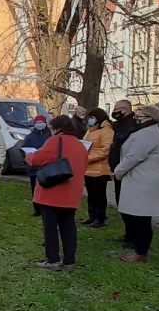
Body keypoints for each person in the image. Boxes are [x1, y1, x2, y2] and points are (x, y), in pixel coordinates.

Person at [25, 115, 90, 271]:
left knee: (50, 227)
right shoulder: (80, 145)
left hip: (53, 191)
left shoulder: (55, 141)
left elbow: (37, 160)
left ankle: (53, 260)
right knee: (68, 226)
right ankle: (69, 261)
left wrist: (28, 155)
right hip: (72, 192)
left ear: (57, 128)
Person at [115, 105, 159, 263]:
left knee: (142, 218)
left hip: (145, 180)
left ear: (150, 118)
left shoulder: (148, 133)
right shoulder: (143, 131)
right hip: (138, 178)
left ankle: (141, 253)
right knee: (136, 216)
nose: (136, 118)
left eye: (140, 116)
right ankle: (138, 248)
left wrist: (118, 172)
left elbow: (134, 156)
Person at [82, 107, 114, 228]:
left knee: (99, 194)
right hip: (89, 168)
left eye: (92, 118)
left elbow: (106, 150)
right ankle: (92, 215)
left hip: (100, 169)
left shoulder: (107, 131)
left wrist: (88, 158)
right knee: (91, 194)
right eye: (89, 118)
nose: (90, 120)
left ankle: (100, 218)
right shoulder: (90, 131)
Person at [108, 99, 138, 206]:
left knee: (126, 199)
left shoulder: (133, 124)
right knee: (119, 197)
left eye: (116, 109)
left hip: (127, 166)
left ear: (124, 110)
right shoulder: (118, 124)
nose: (114, 112)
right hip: (117, 165)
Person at [22, 114, 53, 217]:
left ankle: (47, 207)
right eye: (38, 123)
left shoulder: (50, 135)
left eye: (41, 122)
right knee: (34, 188)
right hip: (34, 167)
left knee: (47, 188)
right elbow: (23, 149)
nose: (40, 124)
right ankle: (37, 209)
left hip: (47, 166)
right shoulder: (30, 137)